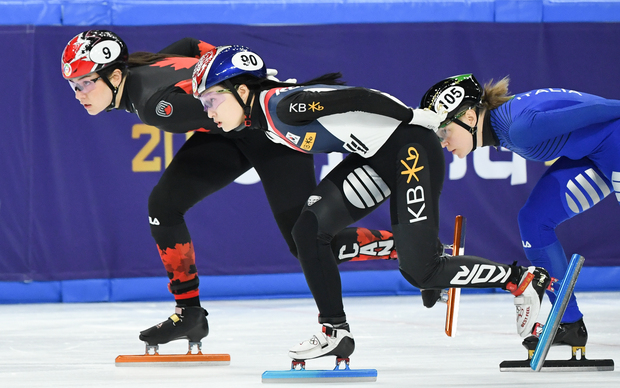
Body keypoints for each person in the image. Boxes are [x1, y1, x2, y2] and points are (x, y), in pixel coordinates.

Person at [192, 45, 552, 363]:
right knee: (309, 234)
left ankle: (520, 281)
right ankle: (336, 332)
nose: (208, 112)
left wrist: (413, 117)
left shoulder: (284, 105)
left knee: (421, 271)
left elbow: (358, 97)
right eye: (204, 104)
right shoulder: (266, 119)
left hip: (410, 150)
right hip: (375, 157)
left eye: (212, 100)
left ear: (242, 91)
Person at [60, 30, 398, 352]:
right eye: (73, 85)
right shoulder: (145, 65)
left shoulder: (157, 105)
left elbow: (238, 107)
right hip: (228, 132)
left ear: (115, 76)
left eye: (86, 83)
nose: (79, 94)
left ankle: (409, 246)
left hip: (268, 132)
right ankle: (189, 314)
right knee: (163, 206)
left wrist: (254, 86)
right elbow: (192, 46)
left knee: (306, 243)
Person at [419, 73, 618, 351]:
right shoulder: (504, 126)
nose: (442, 142)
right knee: (534, 222)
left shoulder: (519, 129)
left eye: (444, 131)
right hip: (593, 154)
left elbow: (600, 109)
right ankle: (569, 323)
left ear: (470, 118)